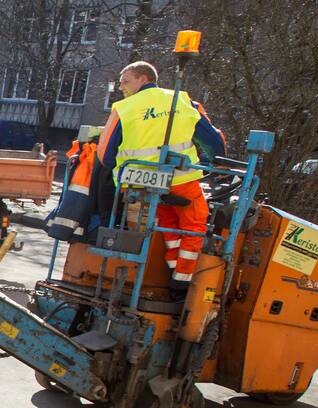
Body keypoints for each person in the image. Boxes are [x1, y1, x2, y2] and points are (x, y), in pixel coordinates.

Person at [95, 61, 226, 298]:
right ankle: (180, 282)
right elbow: (215, 145)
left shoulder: (124, 108)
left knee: (166, 221)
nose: (121, 87)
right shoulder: (185, 102)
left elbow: (104, 154)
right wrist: (214, 163)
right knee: (195, 224)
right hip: (181, 180)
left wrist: (123, 170)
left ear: (143, 79)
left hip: (137, 184)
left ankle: (173, 271)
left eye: (126, 81)